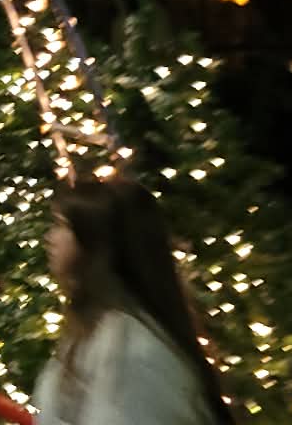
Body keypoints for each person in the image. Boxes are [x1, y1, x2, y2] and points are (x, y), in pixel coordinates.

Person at [32, 177, 228, 425]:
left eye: (62, 225)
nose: (50, 237)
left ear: (96, 243)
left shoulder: (133, 353)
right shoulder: (91, 332)